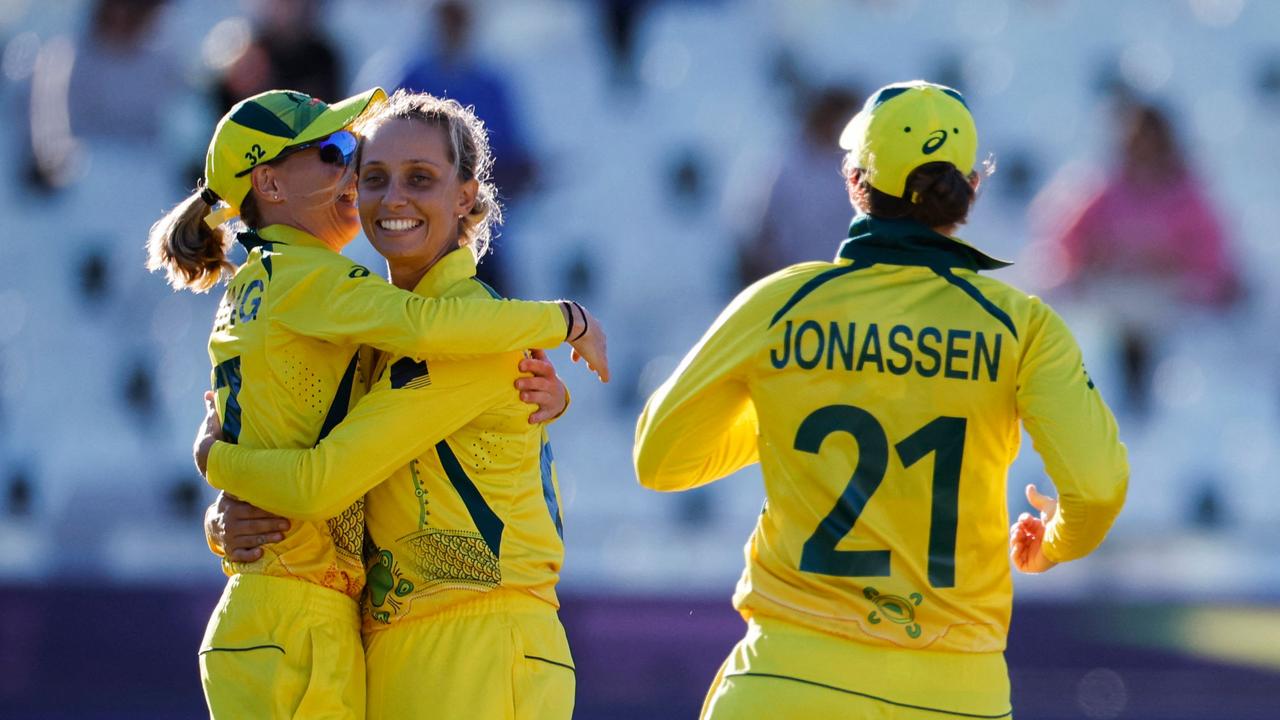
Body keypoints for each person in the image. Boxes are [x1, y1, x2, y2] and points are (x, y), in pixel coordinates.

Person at [634, 80, 1128, 719]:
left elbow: (661, 459)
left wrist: (782, 415)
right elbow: (1098, 489)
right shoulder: (1020, 326)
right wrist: (1053, 543)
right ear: (971, 188)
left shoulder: (783, 302)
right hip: (955, 695)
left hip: (788, 681)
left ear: (853, 180)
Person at [147, 87, 606, 719]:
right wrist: (228, 519)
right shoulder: (361, 323)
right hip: (382, 639)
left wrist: (214, 462)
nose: (389, 197)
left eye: (421, 178)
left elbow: (321, 478)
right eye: (365, 169)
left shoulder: (470, 329)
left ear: (465, 196)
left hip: (475, 643)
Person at [1031, 101, 1239, 415]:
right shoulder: (1103, 188)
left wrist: (1169, 265)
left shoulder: (1187, 195)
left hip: (1169, 301)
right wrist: (1093, 259)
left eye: (1152, 142)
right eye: (1137, 141)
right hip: (1111, 295)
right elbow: (1064, 239)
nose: (1145, 150)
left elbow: (1212, 253)